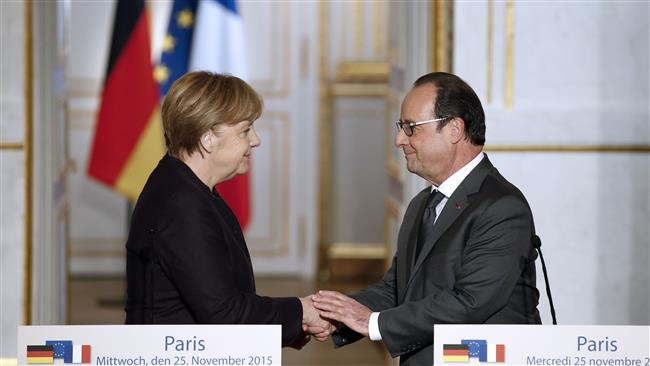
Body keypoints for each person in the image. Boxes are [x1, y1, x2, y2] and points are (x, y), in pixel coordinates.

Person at [311, 72, 541, 364]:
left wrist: (371, 323)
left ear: (455, 129)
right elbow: (397, 288)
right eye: (400, 127)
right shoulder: (423, 203)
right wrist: (333, 314)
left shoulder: (502, 208)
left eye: (410, 128)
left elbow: (469, 304)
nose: (399, 140)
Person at [124, 71, 330, 348]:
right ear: (208, 138)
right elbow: (224, 315)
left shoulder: (185, 187)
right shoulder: (182, 206)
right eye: (245, 130)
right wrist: (302, 310)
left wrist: (295, 323)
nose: (255, 140)